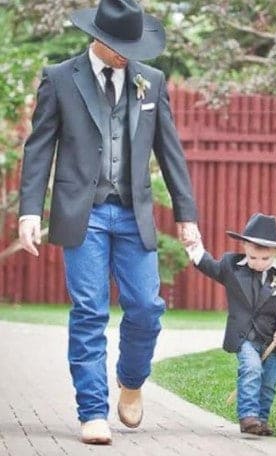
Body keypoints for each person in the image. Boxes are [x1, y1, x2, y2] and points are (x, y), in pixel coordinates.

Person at [18, 0, 200, 445]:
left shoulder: (150, 82)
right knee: (89, 312)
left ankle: (132, 380)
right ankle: (93, 411)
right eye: (120, 45)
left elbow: (170, 152)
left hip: (133, 213)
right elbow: (39, 147)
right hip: (84, 213)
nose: (126, 54)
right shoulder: (61, 78)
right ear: (98, 38)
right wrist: (29, 210)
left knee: (146, 307)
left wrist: (186, 215)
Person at [186, 213, 276, 436]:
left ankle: (261, 420)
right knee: (251, 368)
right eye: (253, 257)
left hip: (272, 339)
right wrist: (193, 246)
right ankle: (248, 417)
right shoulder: (231, 266)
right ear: (245, 246)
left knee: (269, 380)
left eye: (264, 259)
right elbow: (208, 265)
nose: (258, 263)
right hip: (244, 337)